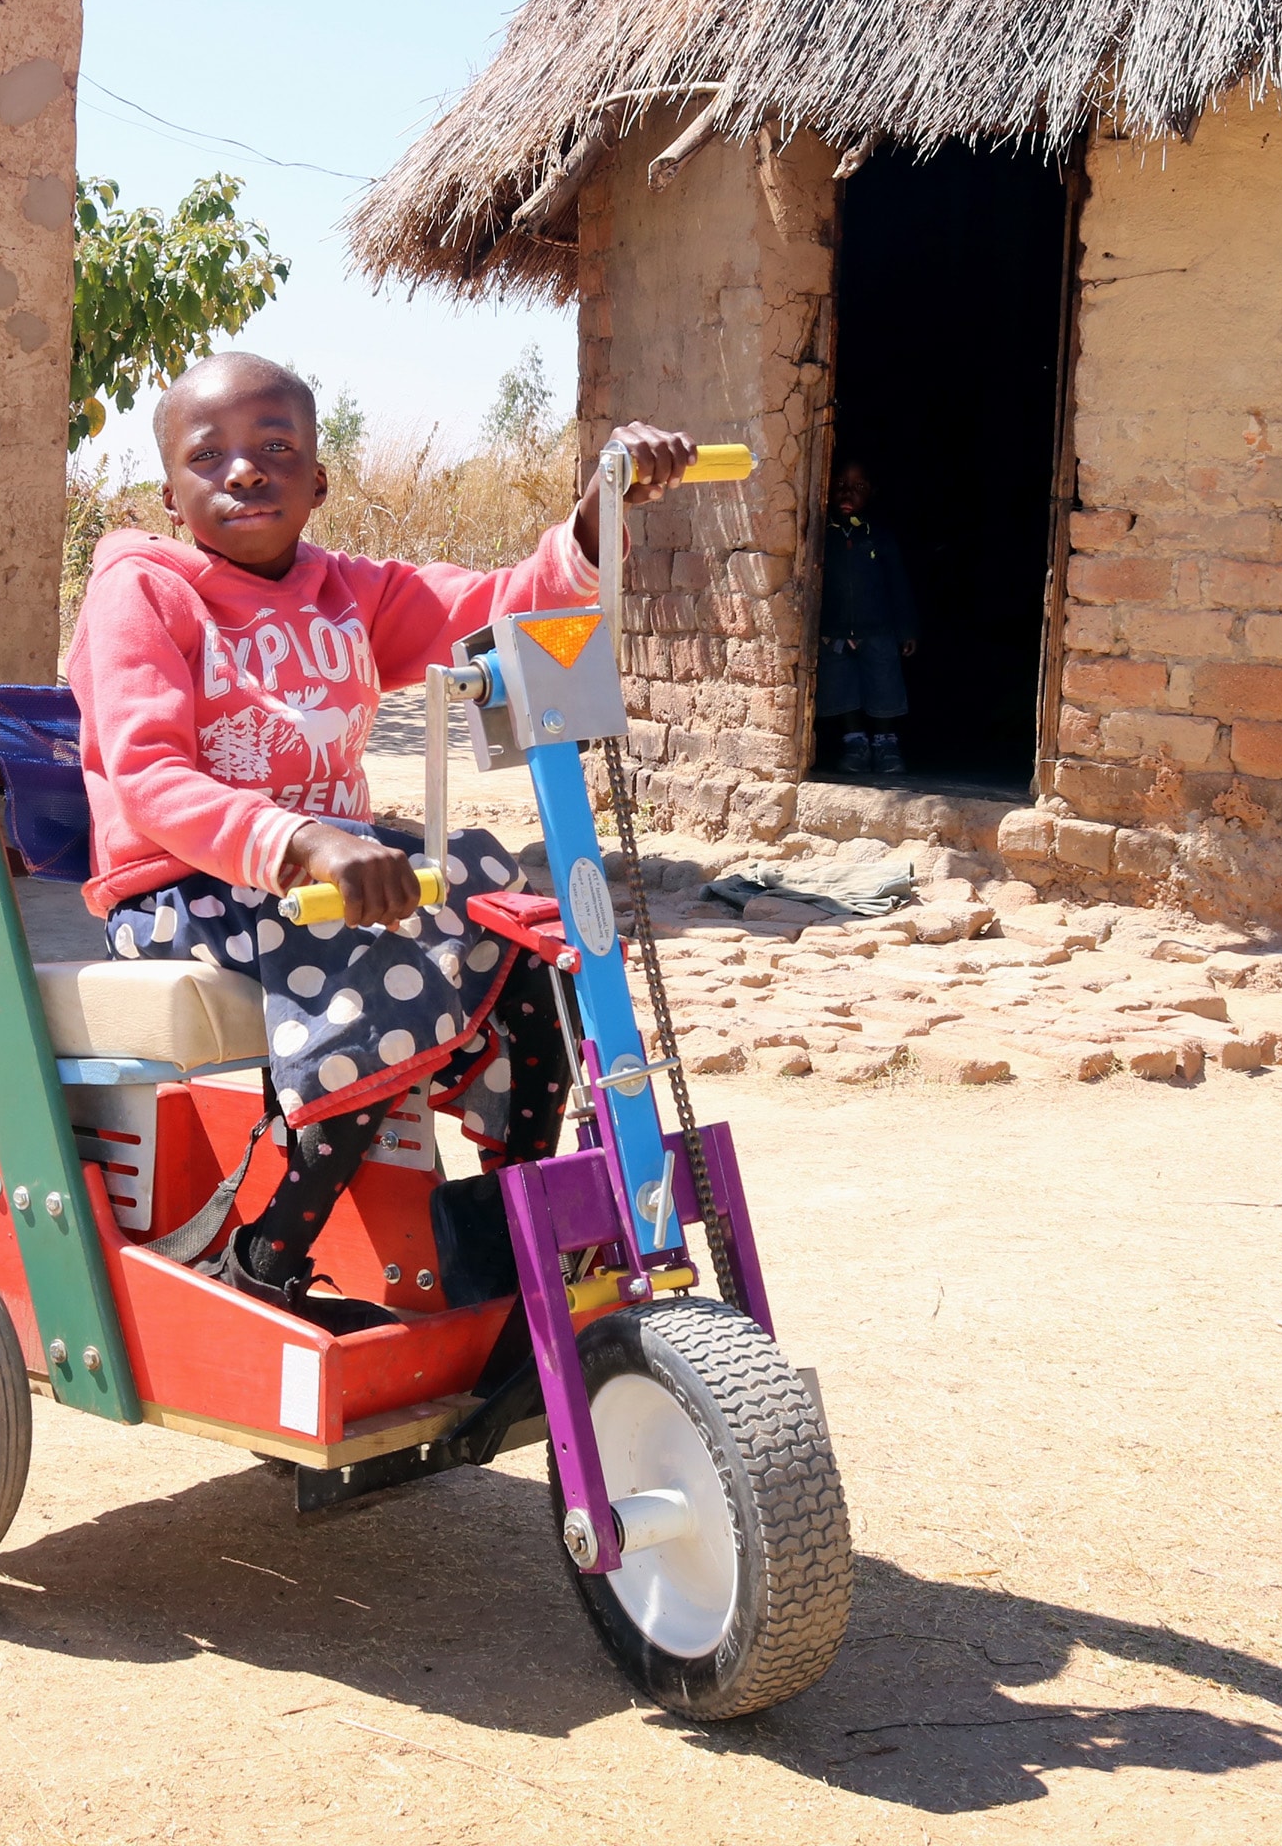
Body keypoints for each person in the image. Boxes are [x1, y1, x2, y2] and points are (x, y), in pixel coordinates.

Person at [64, 351, 697, 1326]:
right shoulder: (144, 595)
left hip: (316, 886)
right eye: (211, 456)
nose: (243, 471)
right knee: (388, 961)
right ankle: (268, 1250)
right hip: (185, 889)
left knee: (520, 926)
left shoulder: (348, 593)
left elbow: (502, 606)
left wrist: (596, 507)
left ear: (318, 479)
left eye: (275, 448)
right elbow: (149, 778)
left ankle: (505, 1223)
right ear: (170, 492)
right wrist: (303, 838)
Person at [815, 459, 918, 775]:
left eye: (859, 487)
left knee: (882, 684)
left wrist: (906, 630)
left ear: (872, 492)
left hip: (878, 629)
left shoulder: (879, 537)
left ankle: (885, 744)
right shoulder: (821, 537)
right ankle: (855, 743)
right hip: (833, 631)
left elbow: (898, 585)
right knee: (843, 687)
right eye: (841, 485)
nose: (848, 493)